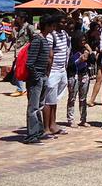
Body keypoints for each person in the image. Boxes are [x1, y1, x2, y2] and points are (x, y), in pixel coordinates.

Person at [23, 16, 51, 144]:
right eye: (52, 25)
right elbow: (30, 62)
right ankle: (32, 135)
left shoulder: (44, 40)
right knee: (33, 107)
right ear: (47, 26)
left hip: (42, 76)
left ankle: (38, 131)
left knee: (39, 105)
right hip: (37, 77)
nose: (54, 28)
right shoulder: (37, 40)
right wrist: (37, 76)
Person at [42, 14, 70, 137]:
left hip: (61, 70)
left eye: (65, 22)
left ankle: (53, 124)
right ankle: (46, 128)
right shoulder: (50, 36)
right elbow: (49, 55)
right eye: (61, 22)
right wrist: (48, 72)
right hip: (52, 71)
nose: (63, 24)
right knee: (48, 101)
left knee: (55, 100)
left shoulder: (64, 34)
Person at [66, 31, 91, 127]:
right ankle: (70, 119)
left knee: (83, 98)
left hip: (84, 75)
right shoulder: (71, 50)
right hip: (74, 75)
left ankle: (83, 119)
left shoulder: (85, 49)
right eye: (82, 40)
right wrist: (79, 60)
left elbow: (93, 60)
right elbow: (70, 65)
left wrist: (90, 51)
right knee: (72, 97)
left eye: (85, 40)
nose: (83, 42)